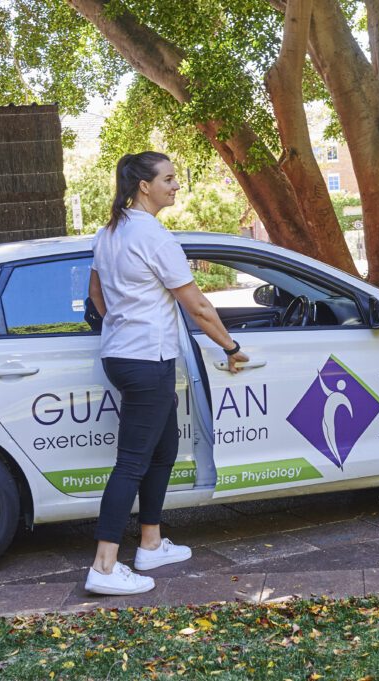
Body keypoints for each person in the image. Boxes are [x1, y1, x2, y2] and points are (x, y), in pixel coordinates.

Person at [84, 151, 249, 595]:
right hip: (146, 361)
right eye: (170, 179)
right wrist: (231, 346)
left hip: (122, 355)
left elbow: (97, 296)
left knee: (164, 448)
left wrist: (125, 322)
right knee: (133, 462)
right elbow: (197, 305)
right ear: (144, 186)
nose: (177, 186)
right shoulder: (153, 237)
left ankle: (151, 544)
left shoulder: (109, 233)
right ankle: (103, 567)